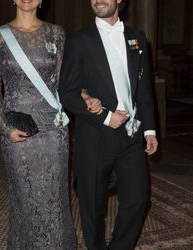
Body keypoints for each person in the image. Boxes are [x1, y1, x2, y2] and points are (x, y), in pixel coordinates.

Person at [59, 0, 159, 249]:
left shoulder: (137, 38)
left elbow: (144, 90)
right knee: (92, 206)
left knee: (137, 200)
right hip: (95, 135)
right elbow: (67, 92)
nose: (97, 0)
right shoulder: (79, 41)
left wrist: (149, 129)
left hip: (131, 134)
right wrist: (104, 116)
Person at [0, 0, 76, 249]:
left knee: (55, 197)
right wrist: (4, 128)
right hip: (17, 130)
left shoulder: (56, 33)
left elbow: (62, 83)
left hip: (53, 131)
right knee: (24, 198)